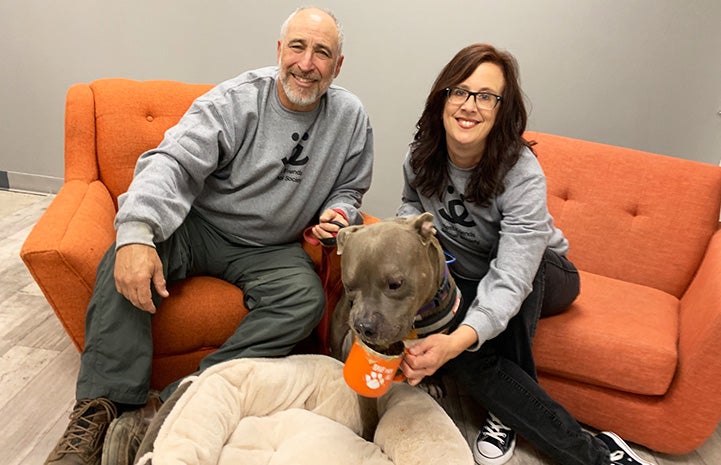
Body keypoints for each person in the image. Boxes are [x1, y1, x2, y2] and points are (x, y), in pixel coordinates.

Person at [45, 7, 373, 465]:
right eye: (297, 46)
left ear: (338, 66)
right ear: (280, 51)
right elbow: (172, 162)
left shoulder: (351, 117)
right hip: (200, 225)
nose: (307, 62)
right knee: (125, 252)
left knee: (304, 299)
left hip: (271, 248)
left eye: (322, 52)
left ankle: (188, 392)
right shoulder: (237, 99)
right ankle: (101, 407)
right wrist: (138, 232)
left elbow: (350, 185)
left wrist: (338, 211)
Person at [397, 43, 650, 465]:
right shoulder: (421, 157)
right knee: (468, 360)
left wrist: (456, 339)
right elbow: (410, 206)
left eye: (486, 96)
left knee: (501, 298)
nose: (469, 105)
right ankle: (600, 448)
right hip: (469, 275)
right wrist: (422, 240)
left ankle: (590, 457)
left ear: (502, 110)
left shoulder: (520, 172)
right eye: (459, 91)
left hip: (548, 274)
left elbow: (512, 277)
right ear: (442, 98)